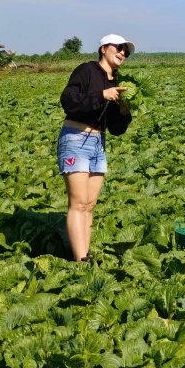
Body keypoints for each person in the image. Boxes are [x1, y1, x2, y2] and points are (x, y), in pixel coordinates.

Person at [57, 34, 135, 262]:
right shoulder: (86, 70)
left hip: (98, 143)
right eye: (119, 48)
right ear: (103, 48)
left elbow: (116, 128)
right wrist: (101, 95)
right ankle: (81, 259)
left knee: (90, 204)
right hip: (75, 137)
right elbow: (69, 100)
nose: (122, 53)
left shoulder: (117, 82)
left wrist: (125, 110)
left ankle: (85, 255)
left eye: (126, 52)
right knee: (78, 202)